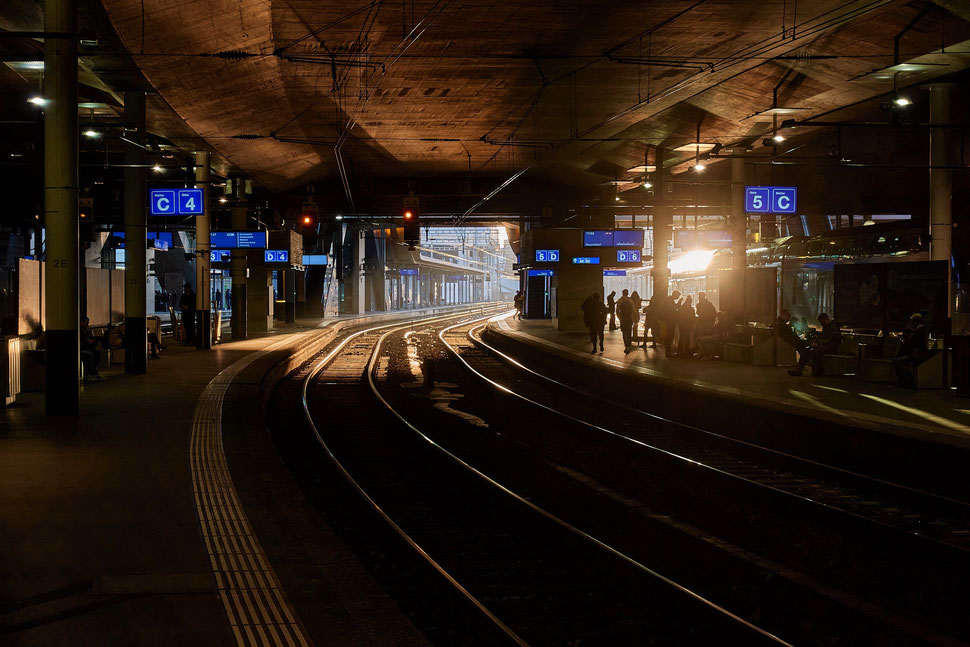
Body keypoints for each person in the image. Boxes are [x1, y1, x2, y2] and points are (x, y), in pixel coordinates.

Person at [893, 313, 930, 388]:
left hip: (916, 356)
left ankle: (906, 382)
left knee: (897, 361)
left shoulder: (919, 331)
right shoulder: (922, 330)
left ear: (914, 322)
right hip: (919, 354)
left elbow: (910, 345)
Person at [79, 316, 105, 382]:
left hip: (82, 348)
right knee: (89, 355)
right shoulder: (80, 331)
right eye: (86, 323)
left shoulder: (84, 330)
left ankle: (92, 372)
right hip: (80, 350)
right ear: (81, 322)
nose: (88, 324)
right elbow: (83, 342)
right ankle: (93, 373)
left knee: (96, 353)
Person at [660, 290, 681, 357]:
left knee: (669, 335)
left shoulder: (669, 300)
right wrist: (679, 304)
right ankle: (668, 351)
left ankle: (668, 350)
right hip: (670, 320)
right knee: (669, 335)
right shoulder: (670, 301)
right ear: (675, 294)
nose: (678, 297)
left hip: (669, 320)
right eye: (677, 296)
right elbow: (673, 309)